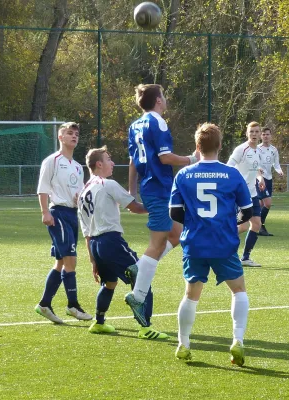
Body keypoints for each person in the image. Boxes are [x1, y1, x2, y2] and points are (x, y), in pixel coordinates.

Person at [169, 122, 253, 366]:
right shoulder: (232, 174)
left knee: (191, 295)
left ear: (197, 147)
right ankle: (238, 340)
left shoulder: (183, 175)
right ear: (220, 146)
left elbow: (175, 213)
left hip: (195, 243)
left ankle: (183, 344)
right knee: (238, 290)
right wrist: (226, 223)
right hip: (224, 243)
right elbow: (246, 213)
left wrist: (196, 223)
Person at [78, 146, 168, 339]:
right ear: (99, 164)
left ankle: (99, 322)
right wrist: (160, 209)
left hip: (95, 244)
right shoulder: (107, 184)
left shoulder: (84, 192)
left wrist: (92, 259)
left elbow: (85, 231)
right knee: (142, 274)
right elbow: (135, 207)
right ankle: (145, 327)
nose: (112, 163)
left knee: (110, 282)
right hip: (111, 241)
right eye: (109, 159)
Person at [125, 83, 198, 322]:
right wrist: (190, 159)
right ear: (158, 100)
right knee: (156, 245)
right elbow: (165, 157)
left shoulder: (134, 125)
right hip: (159, 189)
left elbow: (133, 163)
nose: (165, 100)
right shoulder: (158, 122)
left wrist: (132, 193)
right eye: (164, 96)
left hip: (152, 188)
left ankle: (141, 266)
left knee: (176, 234)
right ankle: (138, 294)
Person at [35, 122, 92, 324]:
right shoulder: (51, 161)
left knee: (61, 262)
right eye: (70, 133)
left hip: (72, 215)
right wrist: (45, 212)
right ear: (60, 137)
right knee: (70, 259)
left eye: (76, 133)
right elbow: (42, 188)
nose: (74, 136)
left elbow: (80, 194)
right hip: (57, 213)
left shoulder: (77, 167)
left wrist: (81, 200)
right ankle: (73, 305)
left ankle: (44, 304)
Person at [227, 121, 266, 267]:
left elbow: (256, 170)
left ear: (260, 134)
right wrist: (235, 184)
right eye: (252, 132)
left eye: (257, 132)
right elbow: (229, 167)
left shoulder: (259, 151)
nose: (254, 134)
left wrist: (260, 179)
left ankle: (245, 258)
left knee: (256, 224)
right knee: (242, 227)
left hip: (253, 193)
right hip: (240, 194)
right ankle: (223, 241)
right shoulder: (241, 150)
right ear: (247, 133)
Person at [256, 127, 284, 236]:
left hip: (269, 179)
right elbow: (254, 162)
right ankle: (259, 225)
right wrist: (259, 168)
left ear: (271, 136)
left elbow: (276, 164)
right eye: (263, 134)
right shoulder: (257, 149)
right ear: (261, 136)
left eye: (267, 134)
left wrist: (280, 171)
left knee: (261, 204)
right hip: (259, 179)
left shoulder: (274, 150)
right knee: (267, 203)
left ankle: (259, 227)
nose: (265, 136)